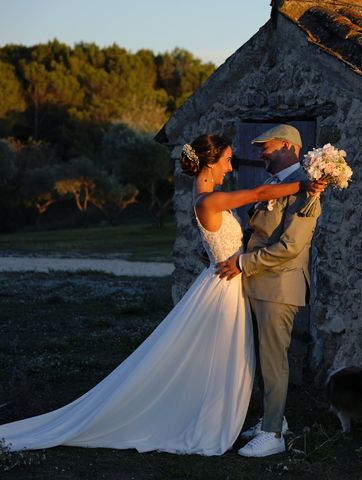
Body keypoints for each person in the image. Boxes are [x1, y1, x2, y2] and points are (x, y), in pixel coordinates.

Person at [0, 133, 325, 456]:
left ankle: (259, 420)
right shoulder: (209, 199)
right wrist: (304, 185)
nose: (230, 166)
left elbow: (224, 237)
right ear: (210, 163)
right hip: (225, 287)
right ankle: (222, 419)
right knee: (220, 355)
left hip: (230, 281)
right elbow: (259, 192)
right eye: (226, 160)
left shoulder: (207, 195)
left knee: (232, 355)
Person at [216, 124, 322, 457]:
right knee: (261, 359)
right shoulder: (273, 184)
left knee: (274, 361)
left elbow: (290, 247)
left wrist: (244, 263)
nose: (261, 152)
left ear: (290, 148)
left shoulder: (307, 190)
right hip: (259, 283)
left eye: (268, 147)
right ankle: (272, 419)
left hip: (279, 286)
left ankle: (273, 435)